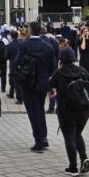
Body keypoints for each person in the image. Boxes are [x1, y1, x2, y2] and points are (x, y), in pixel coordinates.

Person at [49, 43, 89, 176]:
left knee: (69, 137)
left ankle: (73, 167)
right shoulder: (83, 71)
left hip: (66, 110)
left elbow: (50, 84)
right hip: (84, 109)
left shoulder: (59, 72)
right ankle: (84, 158)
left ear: (61, 58)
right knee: (77, 134)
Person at [14, 21, 57, 153]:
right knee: (40, 109)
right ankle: (43, 137)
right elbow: (53, 67)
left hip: (28, 83)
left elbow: (16, 62)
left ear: (30, 31)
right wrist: (52, 86)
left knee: (33, 112)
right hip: (43, 84)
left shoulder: (24, 45)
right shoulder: (48, 46)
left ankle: (38, 142)